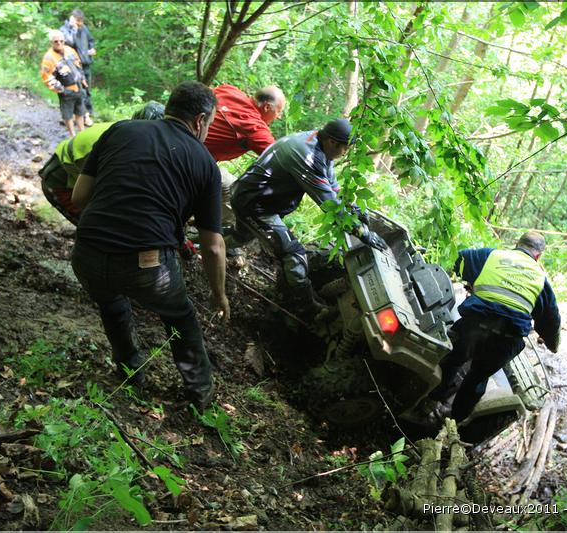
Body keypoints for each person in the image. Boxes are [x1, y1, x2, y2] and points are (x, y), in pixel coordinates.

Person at [70, 81, 229, 409]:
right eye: (210, 124)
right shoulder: (205, 163)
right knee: (180, 316)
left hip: (86, 253)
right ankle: (201, 397)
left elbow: (79, 197)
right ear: (200, 120)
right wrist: (218, 294)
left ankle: (130, 374)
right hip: (147, 264)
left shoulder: (120, 131)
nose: (208, 131)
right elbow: (213, 247)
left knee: (111, 304)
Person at [226, 118, 387, 317]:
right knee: (293, 254)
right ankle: (306, 308)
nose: (344, 153)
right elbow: (330, 207)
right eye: (344, 148)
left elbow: (332, 189)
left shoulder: (319, 146)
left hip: (255, 199)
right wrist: (364, 234)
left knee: (240, 237)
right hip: (254, 205)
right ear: (332, 142)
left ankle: (198, 241)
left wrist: (353, 208)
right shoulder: (307, 155)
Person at [428, 231, 561, 424]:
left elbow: (458, 260)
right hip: (506, 340)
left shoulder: (491, 255)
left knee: (451, 360)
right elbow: (552, 324)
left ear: (517, 244)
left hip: (473, 325)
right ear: (538, 256)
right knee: (477, 380)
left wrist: (472, 283)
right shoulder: (541, 280)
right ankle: (453, 422)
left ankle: (432, 400)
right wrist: (552, 344)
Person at [38, 102, 165, 224]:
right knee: (103, 229)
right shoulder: (113, 144)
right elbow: (111, 194)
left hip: (78, 177)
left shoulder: (125, 133)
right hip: (61, 183)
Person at [204, 84, 286, 267]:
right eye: (278, 111)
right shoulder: (255, 127)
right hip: (192, 159)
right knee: (231, 190)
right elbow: (282, 157)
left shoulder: (229, 90)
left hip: (180, 139)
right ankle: (218, 236)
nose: (278, 116)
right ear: (267, 107)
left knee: (221, 179)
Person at [40, 29, 87, 137]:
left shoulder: (70, 50)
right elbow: (47, 77)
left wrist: (83, 78)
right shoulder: (49, 57)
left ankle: (82, 133)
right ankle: (72, 135)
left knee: (80, 111)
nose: (59, 43)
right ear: (51, 42)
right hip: (66, 90)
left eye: (61, 41)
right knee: (67, 114)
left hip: (78, 87)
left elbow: (78, 64)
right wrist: (62, 90)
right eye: (56, 41)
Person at [60, 9, 96, 126]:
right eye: (77, 21)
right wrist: (74, 30)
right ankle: (79, 116)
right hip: (73, 66)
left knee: (87, 90)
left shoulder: (84, 28)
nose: (79, 24)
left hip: (86, 63)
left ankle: (88, 113)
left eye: (80, 22)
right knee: (77, 91)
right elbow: (69, 43)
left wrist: (91, 48)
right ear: (72, 19)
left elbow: (90, 40)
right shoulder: (64, 30)